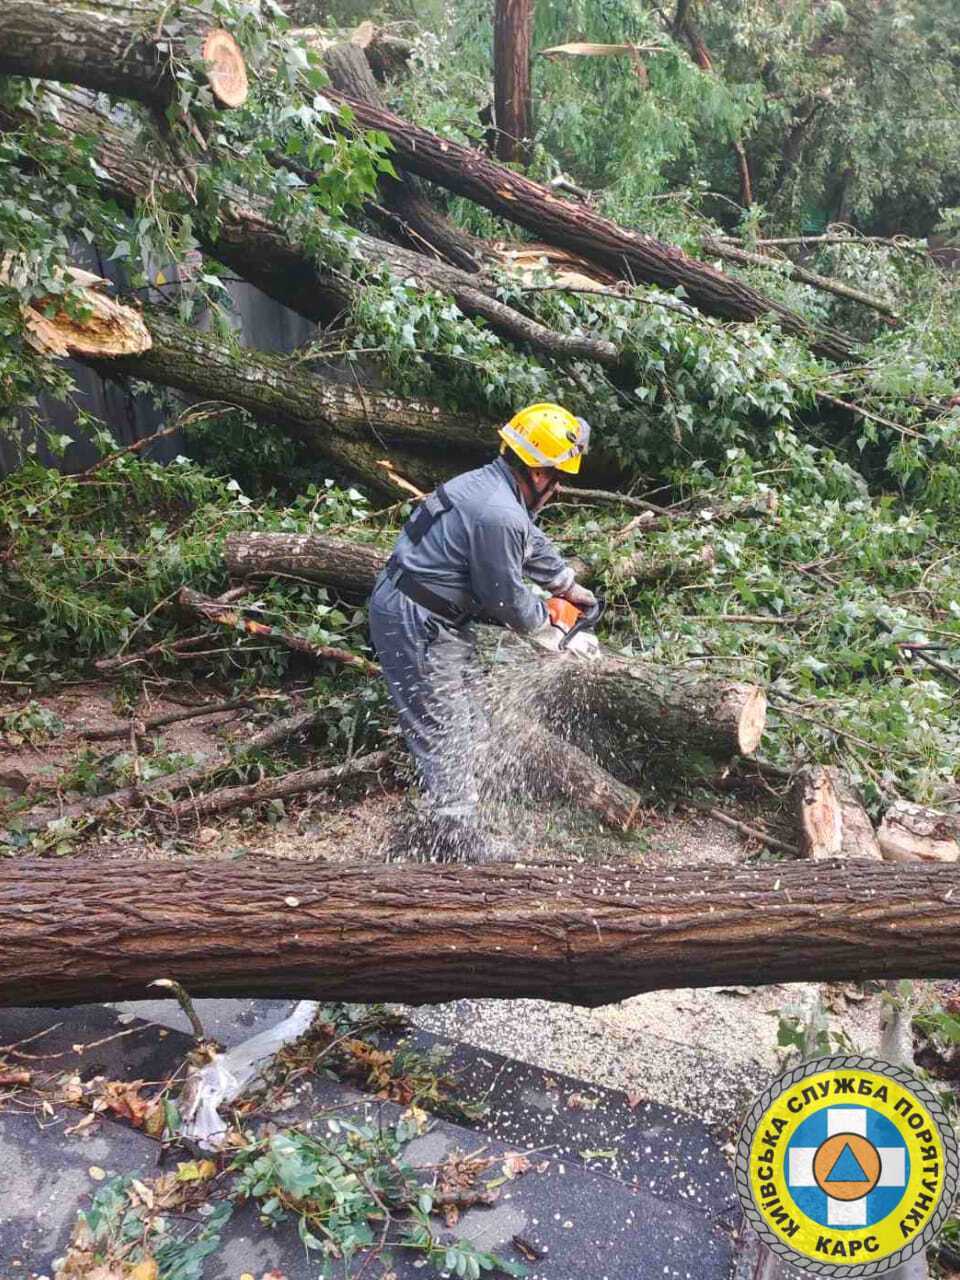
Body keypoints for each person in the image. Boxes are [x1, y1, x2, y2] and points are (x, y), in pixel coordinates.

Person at [368, 402, 599, 864]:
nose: (558, 488)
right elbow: (505, 597)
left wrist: (567, 586)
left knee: (471, 714)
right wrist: (552, 632)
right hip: (417, 618)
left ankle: (448, 817)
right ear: (539, 473)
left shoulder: (491, 486)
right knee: (447, 724)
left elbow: (529, 541)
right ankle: (455, 836)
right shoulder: (499, 513)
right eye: (559, 477)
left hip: (433, 613)